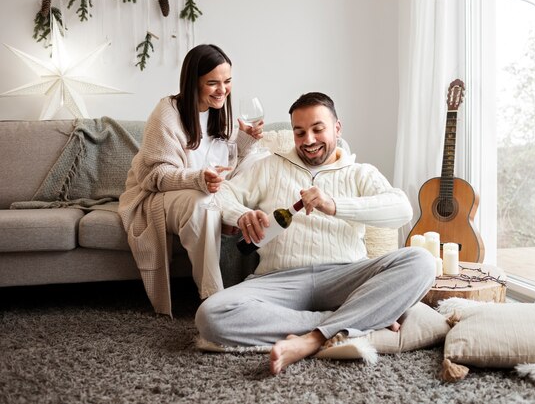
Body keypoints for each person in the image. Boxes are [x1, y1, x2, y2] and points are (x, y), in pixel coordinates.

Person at [195, 92, 435, 374]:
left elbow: (401, 209)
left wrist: (333, 206)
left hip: (346, 278)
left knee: (422, 261)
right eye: (300, 132)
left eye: (318, 129)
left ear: (337, 128)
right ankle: (347, 320)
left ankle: (312, 339)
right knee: (210, 316)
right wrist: (242, 214)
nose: (308, 140)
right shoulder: (269, 167)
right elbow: (221, 193)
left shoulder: (360, 173)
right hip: (279, 281)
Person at [118, 44, 264, 317]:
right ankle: (214, 299)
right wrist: (198, 179)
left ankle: (269, 279)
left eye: (227, 81)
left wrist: (247, 139)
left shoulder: (223, 110)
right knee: (203, 201)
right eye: (212, 83)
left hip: (211, 189)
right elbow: (153, 176)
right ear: (193, 82)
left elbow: (232, 159)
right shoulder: (168, 113)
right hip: (161, 195)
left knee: (262, 162)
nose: (223, 90)